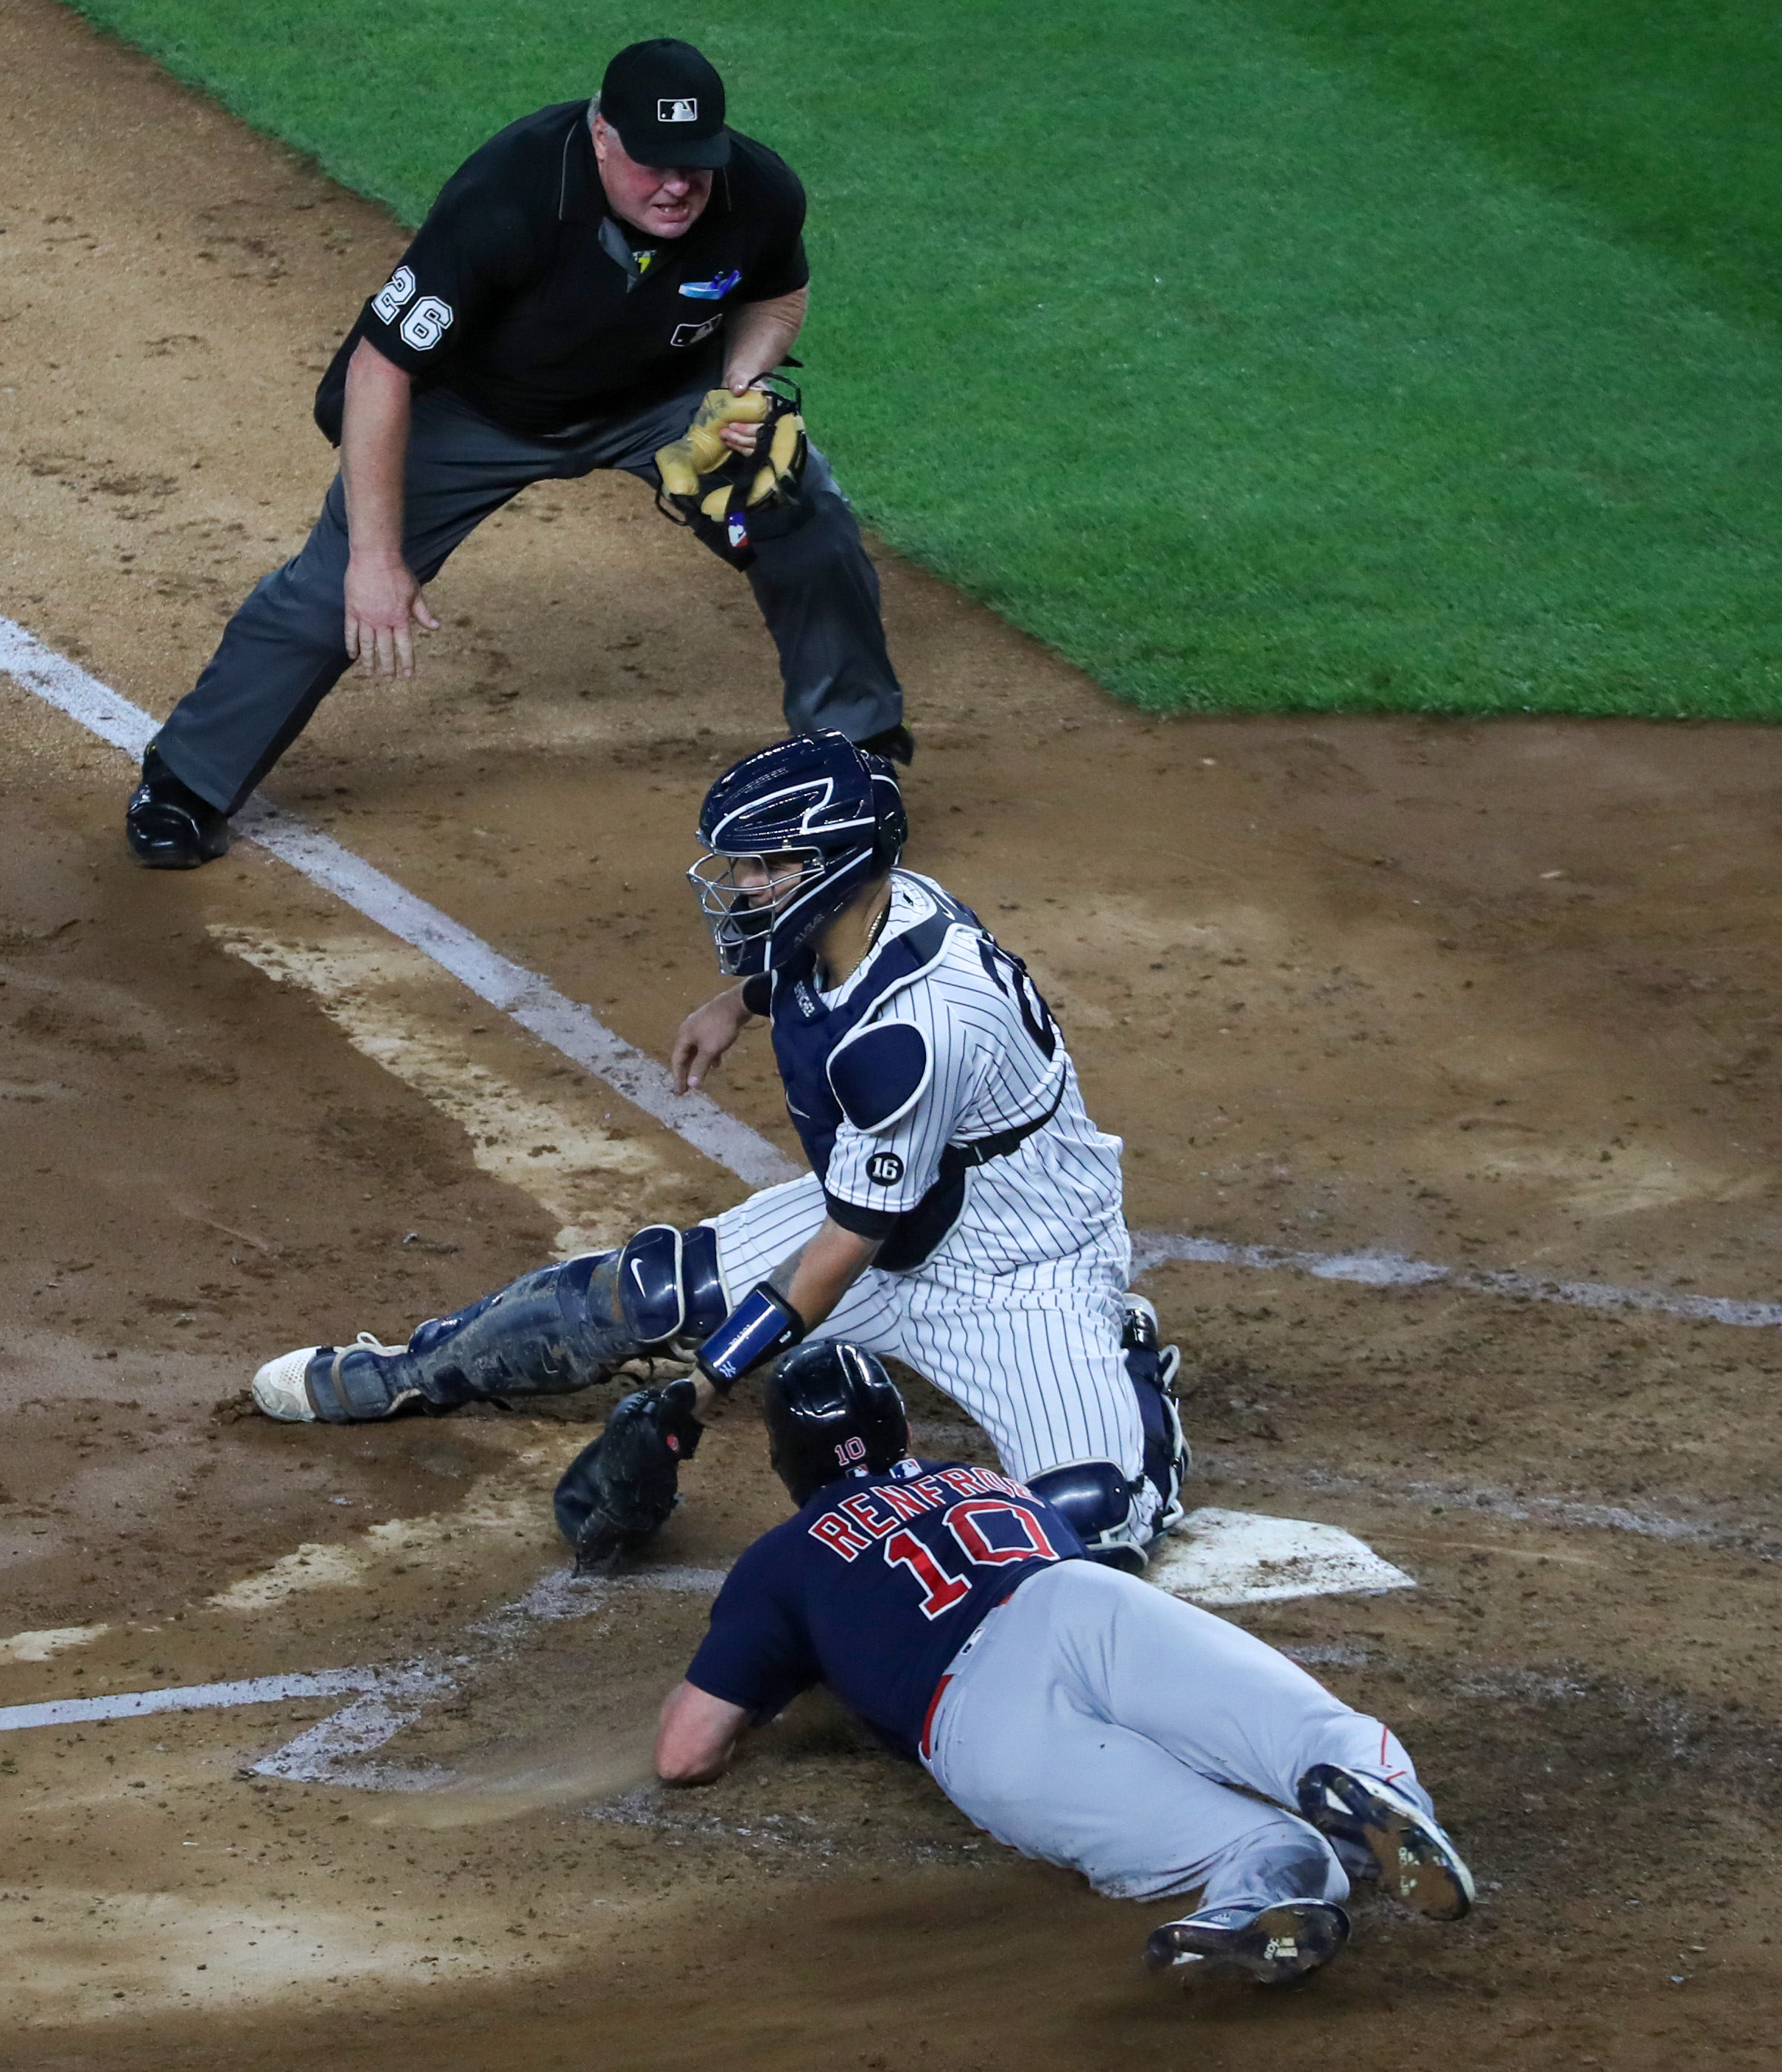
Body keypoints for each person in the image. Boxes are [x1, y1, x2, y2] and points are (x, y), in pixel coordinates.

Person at [248, 731, 1188, 1579]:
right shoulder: (888, 905)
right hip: (897, 1206)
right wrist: (735, 1004)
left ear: (835, 865)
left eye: (768, 864)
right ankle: (409, 1370)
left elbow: (840, 1251)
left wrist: (695, 1393)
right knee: (642, 1292)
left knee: (1088, 1532)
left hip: (1017, 1264)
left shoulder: (914, 1035)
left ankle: (1121, 1357)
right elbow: (810, 978)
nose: (744, 883)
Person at [124, 38, 909, 870]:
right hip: (475, 409)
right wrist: (378, 559)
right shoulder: (510, 195)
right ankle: (186, 782)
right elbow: (379, 366)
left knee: (801, 513)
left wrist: (741, 382)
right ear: (603, 135)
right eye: (653, 161)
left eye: (696, 162)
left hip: (658, 399)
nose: (677, 183)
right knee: (337, 591)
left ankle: (853, 764)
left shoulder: (758, 191)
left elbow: (778, 291)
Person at [656, 1341, 1475, 1987]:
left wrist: (811, 1685)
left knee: (1235, 1840)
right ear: (901, 1429)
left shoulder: (785, 1555)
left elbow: (686, 1750)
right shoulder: (989, 1484)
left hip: (980, 1725)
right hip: (1078, 1602)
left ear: (789, 1464)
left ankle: (1258, 1891)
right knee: (1305, 1731)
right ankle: (1383, 1802)